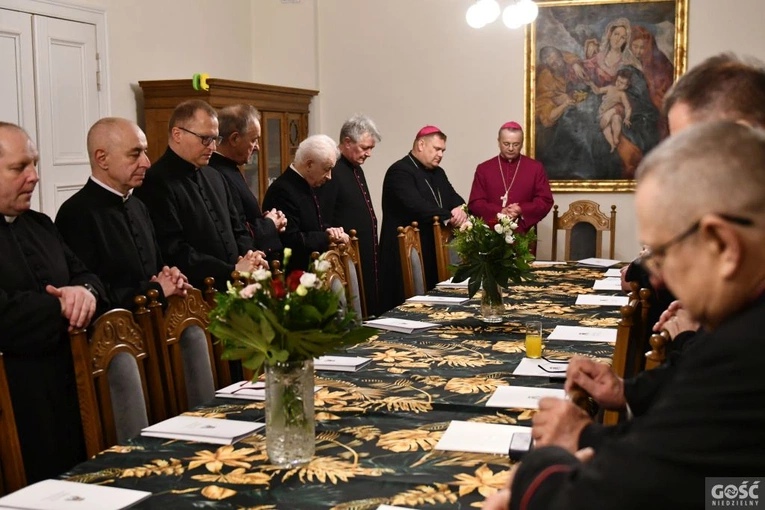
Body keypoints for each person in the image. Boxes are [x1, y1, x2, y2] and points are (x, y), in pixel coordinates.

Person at [485, 121, 765, 510]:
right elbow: (733, 491)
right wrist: (623, 396)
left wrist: (542, 474)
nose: (659, 276)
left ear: (723, 245)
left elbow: (716, 490)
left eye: (661, 253)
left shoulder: (741, 351)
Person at [0, 122, 104, 482]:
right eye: (19, 168)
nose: (34, 177)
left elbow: (88, 276)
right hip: (16, 397)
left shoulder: (41, 224)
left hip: (70, 383)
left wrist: (84, 295)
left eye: (35, 164)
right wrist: (60, 307)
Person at [56, 118, 191, 309]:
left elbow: (158, 265)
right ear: (102, 159)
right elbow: (95, 292)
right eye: (135, 154)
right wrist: (157, 289)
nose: (146, 162)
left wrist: (170, 275)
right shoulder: (75, 213)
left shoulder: (138, 206)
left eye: (145, 152)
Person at [133, 100, 267, 291]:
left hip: (236, 284)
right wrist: (231, 270)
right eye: (205, 139)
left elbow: (238, 226)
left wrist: (250, 255)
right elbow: (173, 250)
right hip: (196, 293)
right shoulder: (154, 182)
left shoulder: (215, 176)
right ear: (177, 134)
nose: (212, 147)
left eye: (215, 139)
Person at [379, 126, 466, 313]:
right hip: (403, 255)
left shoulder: (438, 173)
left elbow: (454, 198)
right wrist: (449, 216)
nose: (441, 154)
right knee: (405, 309)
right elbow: (416, 205)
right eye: (436, 149)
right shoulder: (400, 171)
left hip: (433, 251)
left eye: (443, 150)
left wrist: (460, 209)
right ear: (420, 144)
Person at [317, 114, 382, 316]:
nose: (369, 153)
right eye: (365, 148)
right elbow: (325, 216)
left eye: (371, 148)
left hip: (364, 254)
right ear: (346, 142)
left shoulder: (356, 168)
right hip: (344, 256)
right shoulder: (333, 170)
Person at [208, 104, 286, 260]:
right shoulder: (217, 174)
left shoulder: (229, 167)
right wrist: (270, 223)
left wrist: (265, 220)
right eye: (254, 140)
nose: (257, 147)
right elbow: (236, 232)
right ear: (234, 139)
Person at [262, 134, 348, 272]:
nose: (330, 176)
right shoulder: (283, 190)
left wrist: (328, 230)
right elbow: (291, 240)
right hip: (294, 275)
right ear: (309, 164)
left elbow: (310, 224)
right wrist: (326, 237)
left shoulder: (306, 183)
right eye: (327, 169)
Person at [468, 122, 552, 241]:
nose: (511, 148)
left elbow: (545, 201)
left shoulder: (535, 168)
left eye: (516, 144)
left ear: (522, 143)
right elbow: (475, 203)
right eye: (506, 144)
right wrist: (500, 211)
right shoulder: (484, 169)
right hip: (490, 236)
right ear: (498, 142)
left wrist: (521, 209)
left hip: (523, 234)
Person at [589, 68, 633, 153]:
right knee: (606, 129)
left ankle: (616, 137)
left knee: (616, 118)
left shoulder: (622, 94)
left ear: (627, 86)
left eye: (622, 83)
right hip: (602, 113)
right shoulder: (610, 88)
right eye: (618, 81)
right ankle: (612, 143)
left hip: (613, 113)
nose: (619, 84)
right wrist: (591, 84)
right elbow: (598, 91)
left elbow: (628, 107)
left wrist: (627, 118)